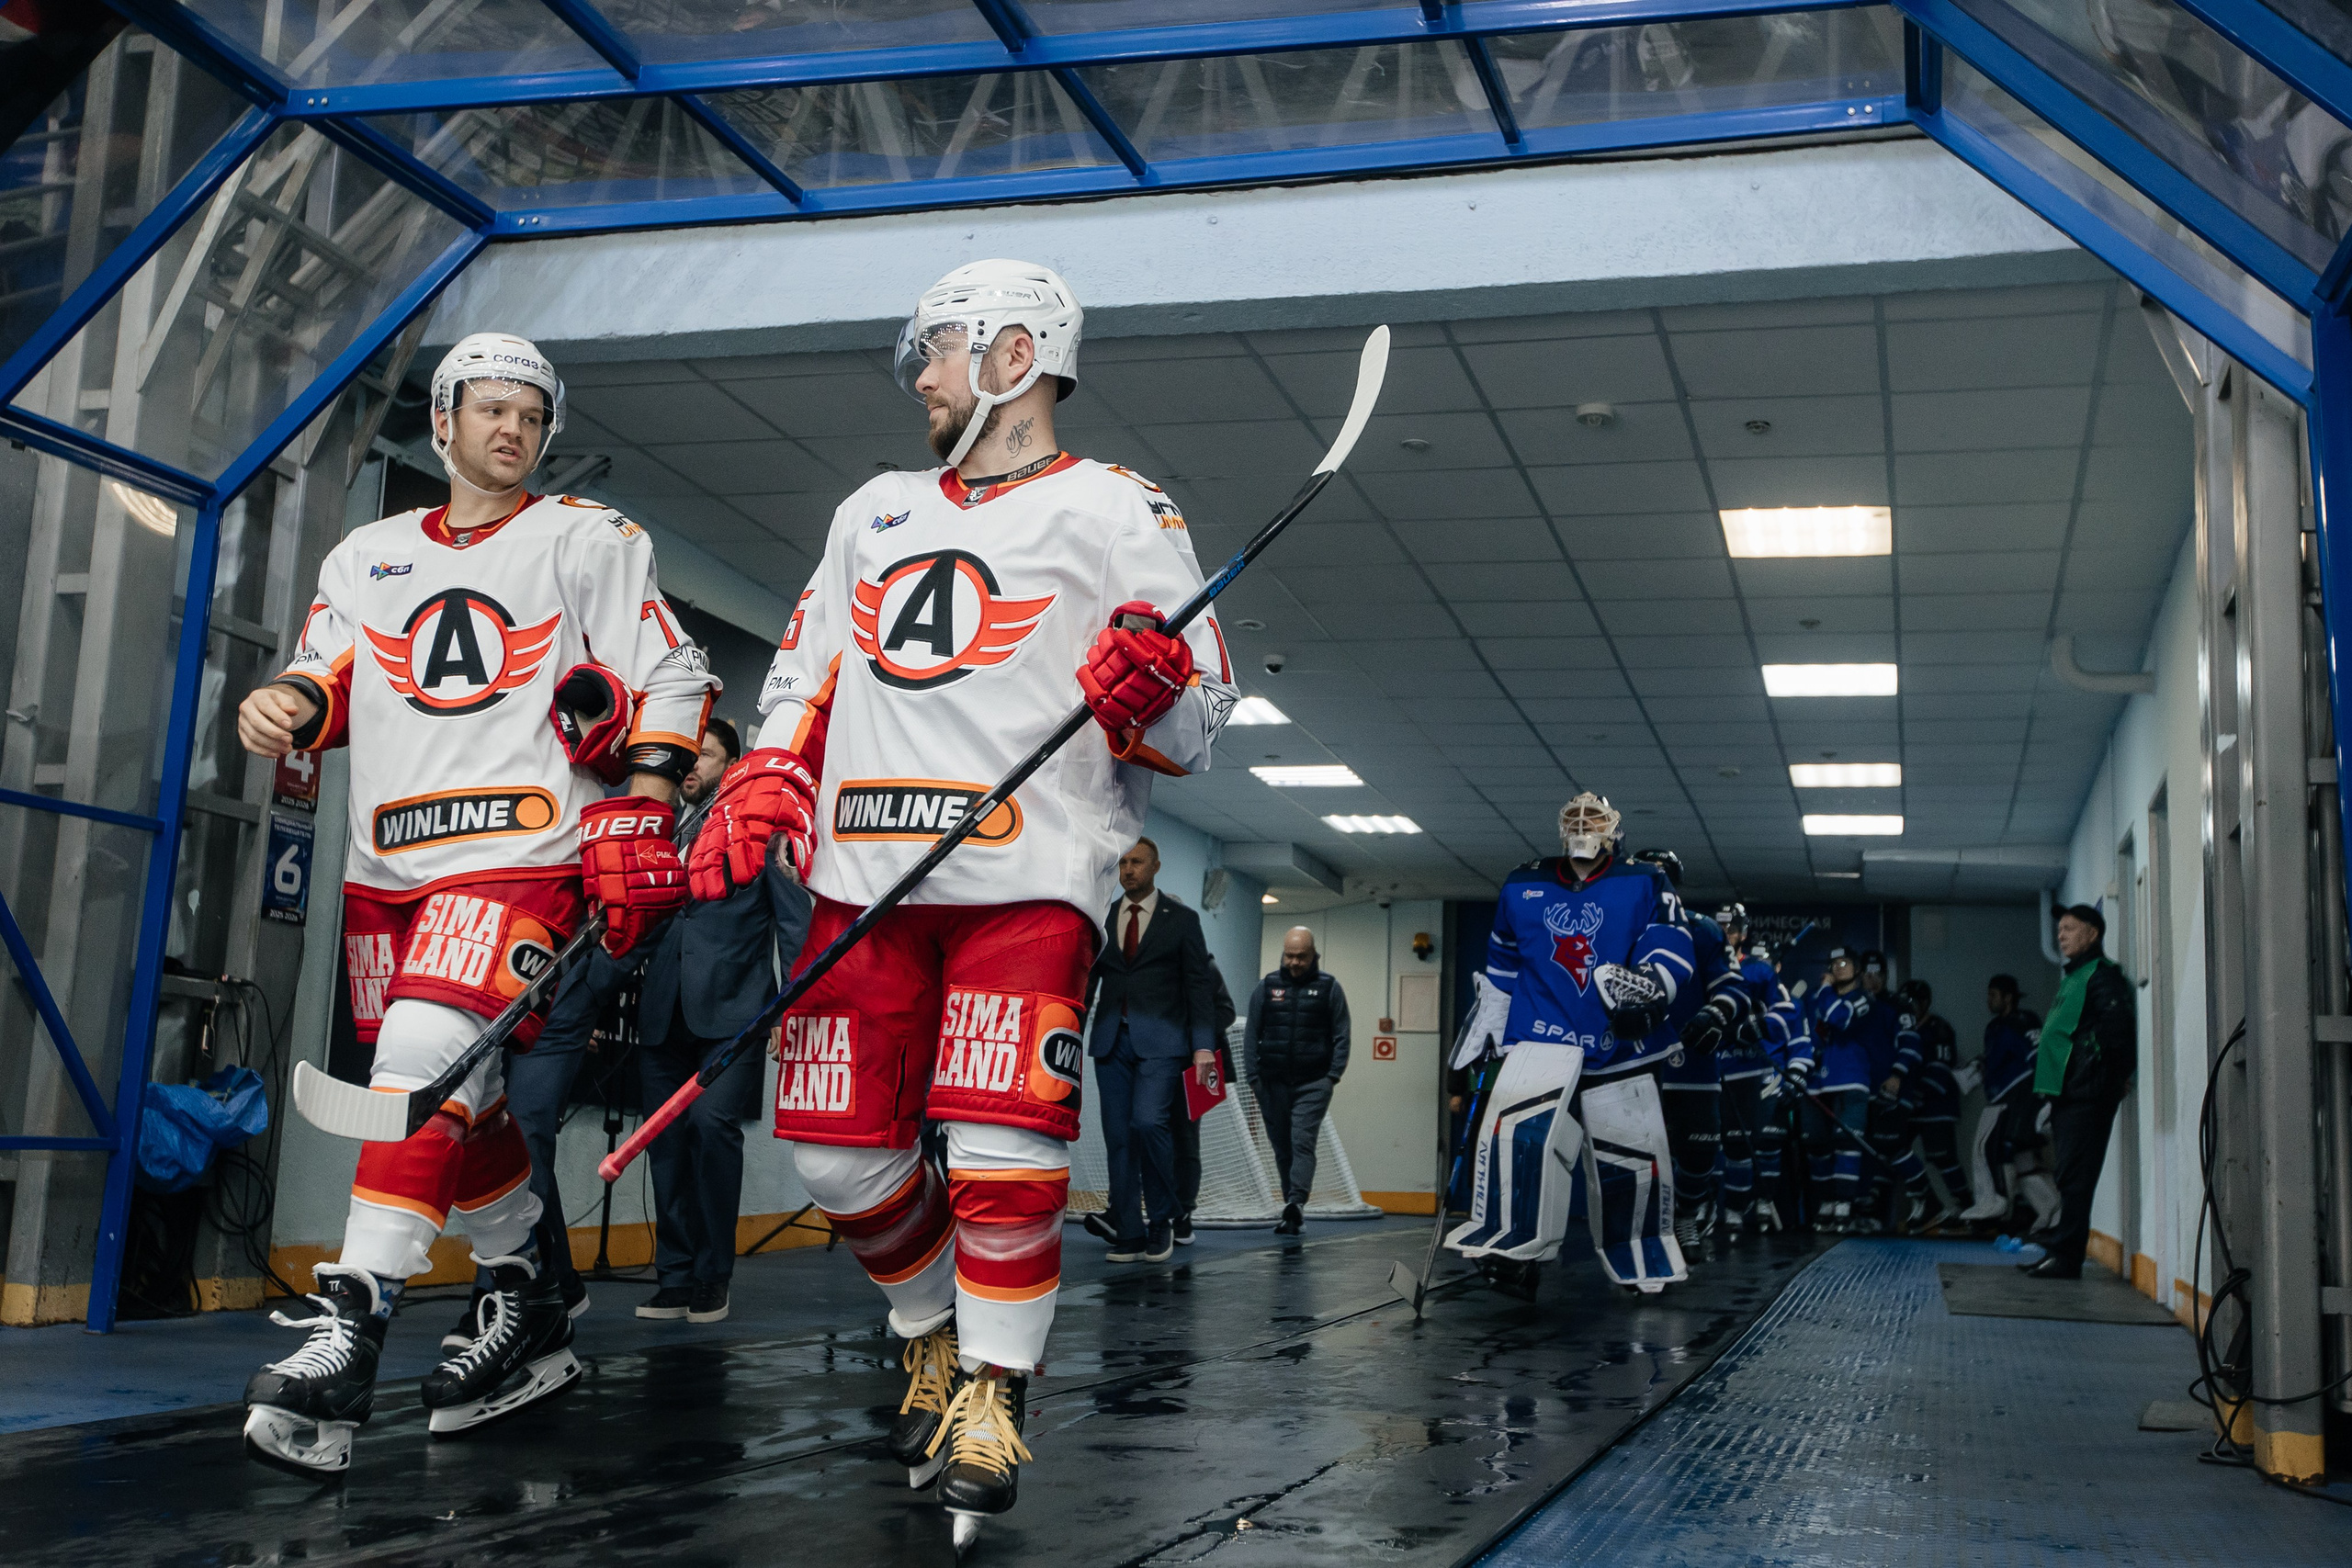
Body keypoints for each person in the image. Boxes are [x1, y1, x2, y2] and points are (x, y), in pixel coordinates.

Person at [684, 259, 1235, 1536]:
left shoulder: (1118, 508)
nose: (922, 375)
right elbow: (808, 673)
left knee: (1000, 1142)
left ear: (1012, 353)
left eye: (939, 348)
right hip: (861, 878)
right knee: (831, 1147)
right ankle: (933, 1328)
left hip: (1029, 877)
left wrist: (1150, 697)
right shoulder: (872, 506)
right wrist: (766, 775)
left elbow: (1201, 724)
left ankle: (996, 1384)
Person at [233, 333, 718, 1476]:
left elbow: (676, 671)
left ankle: (352, 1326)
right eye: (488, 410)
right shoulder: (366, 554)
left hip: (523, 856)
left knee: (420, 1060)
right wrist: (283, 705)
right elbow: (331, 673)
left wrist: (643, 797)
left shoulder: (589, 538)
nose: (511, 430)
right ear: (442, 425)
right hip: (384, 865)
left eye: (530, 416)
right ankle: (530, 1288)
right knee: (463, 1095)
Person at [1448, 792, 1696, 1292]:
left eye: (1595, 818)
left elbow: (1671, 941)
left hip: (1618, 1047)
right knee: (1521, 1143)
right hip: (1538, 1040)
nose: (1584, 825)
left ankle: (1639, 1250)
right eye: (1575, 818)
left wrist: (1652, 986)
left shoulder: (1645, 880)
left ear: (1614, 830)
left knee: (1630, 1156)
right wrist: (1488, 1027)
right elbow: (1502, 965)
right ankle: (1514, 1252)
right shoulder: (1523, 882)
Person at [637, 717, 812, 1324]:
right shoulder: (663, 828)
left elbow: (792, 922)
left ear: (732, 763)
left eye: (705, 754)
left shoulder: (758, 826)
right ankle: (675, 1276)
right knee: (665, 1143)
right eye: (687, 753)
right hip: (663, 1010)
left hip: (735, 1011)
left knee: (713, 1129)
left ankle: (714, 1275)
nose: (691, 764)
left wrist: (792, 1008)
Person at [1085, 837, 1217, 1262]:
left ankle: (1163, 1218)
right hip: (1110, 1041)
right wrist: (1068, 1027)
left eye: (1137, 862)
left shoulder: (1181, 919)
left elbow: (1200, 987)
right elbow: (1087, 981)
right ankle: (1128, 1230)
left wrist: (1203, 1048)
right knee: (1119, 1138)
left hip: (1163, 1043)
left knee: (1147, 1124)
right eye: (1123, 863)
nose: (1129, 870)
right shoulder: (1102, 918)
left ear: (1155, 866)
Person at [2020, 906, 2136, 1280]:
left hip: (2087, 1094)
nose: (2061, 935)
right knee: (2069, 1174)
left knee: (2076, 1176)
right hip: (2068, 1093)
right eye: (2060, 929)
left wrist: (2110, 1078)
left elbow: (2117, 1031)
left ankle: (2067, 1258)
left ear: (2093, 933)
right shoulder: (2076, 976)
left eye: (2070, 928)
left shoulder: (2101, 978)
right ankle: (2061, 1251)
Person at [1633, 848, 1728, 1255]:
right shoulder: (1618, 927)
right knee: (1632, 1154)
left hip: (1693, 1063)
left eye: (1664, 876)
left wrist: (1716, 1013)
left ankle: (1686, 1217)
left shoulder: (1702, 929)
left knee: (1699, 1150)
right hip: (1633, 1061)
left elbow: (1729, 985)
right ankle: (1641, 1232)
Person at [1244, 927, 1352, 1235]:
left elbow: (1342, 1034)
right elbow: (1252, 1033)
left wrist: (1332, 1076)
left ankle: (1296, 1202)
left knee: (1302, 1140)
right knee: (1282, 1147)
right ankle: (1290, 1208)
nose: (1294, 962)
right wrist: (1254, 1078)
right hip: (1271, 1083)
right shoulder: (1267, 987)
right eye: (1289, 956)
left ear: (1313, 954)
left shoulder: (1330, 988)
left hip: (1314, 1082)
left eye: (1301, 957)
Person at [1702, 905, 1796, 1237]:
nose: (1727, 934)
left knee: (1738, 1144)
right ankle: (1705, 1206)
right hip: (1706, 1069)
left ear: (1743, 933)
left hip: (1744, 1069)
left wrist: (1757, 1026)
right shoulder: (1701, 965)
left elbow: (1785, 1010)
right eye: (1721, 927)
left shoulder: (1759, 970)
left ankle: (1734, 1210)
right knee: (1703, 1143)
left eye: (1733, 928)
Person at [1959, 974, 2060, 1231]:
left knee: (1985, 1149)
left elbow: (2038, 1055)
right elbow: (1997, 1060)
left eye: (1994, 995)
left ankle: (1991, 1203)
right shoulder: (1994, 1028)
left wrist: (2047, 1097)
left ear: (2008, 997)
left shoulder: (2024, 1022)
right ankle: (2053, 1209)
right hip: (2002, 1097)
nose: (1989, 1000)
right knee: (2023, 1160)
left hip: (2018, 1097)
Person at [1794, 946, 1875, 1234]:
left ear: (1857, 969)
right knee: (1816, 1144)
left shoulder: (1863, 998)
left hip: (1851, 1079)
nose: (1839, 968)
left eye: (1845, 963)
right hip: (1818, 1081)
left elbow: (1838, 1017)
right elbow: (1808, 1029)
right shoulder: (1818, 997)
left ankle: (1844, 1205)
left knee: (1847, 1143)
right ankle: (1827, 1203)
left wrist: (1825, 990)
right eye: (1834, 963)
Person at [1857, 951, 1939, 1233]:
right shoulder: (1855, 1004)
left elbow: (1910, 1043)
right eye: (1867, 974)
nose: (1872, 979)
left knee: (1891, 1145)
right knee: (1872, 1149)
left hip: (1893, 1088)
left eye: (1877, 974)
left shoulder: (1898, 1005)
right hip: (1863, 1089)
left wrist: (1897, 1074)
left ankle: (1928, 1200)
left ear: (1885, 975)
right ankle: (1872, 1212)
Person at [1168, 959, 1238, 1242]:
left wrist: (1194, 1035)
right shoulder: (1148, 967)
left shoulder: (1205, 966)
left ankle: (1183, 1214)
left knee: (1186, 1140)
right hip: (1156, 1061)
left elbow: (1226, 1011)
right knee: (1148, 1135)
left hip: (1196, 1066)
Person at [1891, 978, 1970, 1224]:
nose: (1908, 1006)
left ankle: (1965, 1207)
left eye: (1912, 1001)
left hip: (1936, 1107)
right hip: (1911, 1106)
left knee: (1942, 1156)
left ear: (1925, 1003)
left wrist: (1916, 1093)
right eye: (1904, 1002)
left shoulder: (1939, 1029)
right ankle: (1922, 1202)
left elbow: (1939, 1070)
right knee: (1893, 1147)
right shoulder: (1902, 1028)